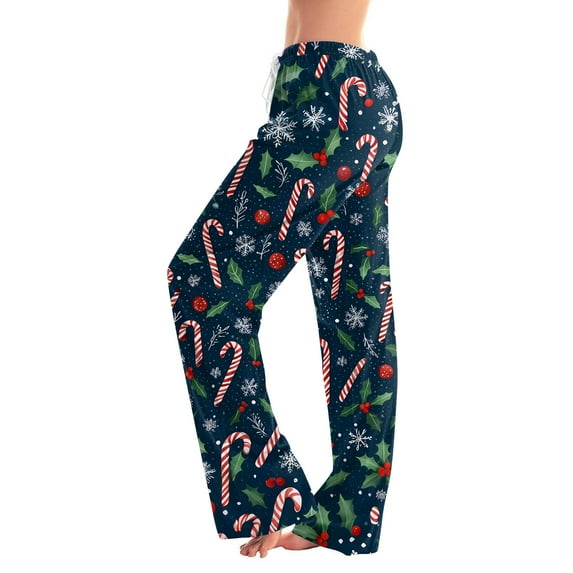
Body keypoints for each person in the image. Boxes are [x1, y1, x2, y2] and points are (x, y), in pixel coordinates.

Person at [167, 0, 402, 558]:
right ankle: (344, 515)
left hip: (329, 95)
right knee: (359, 322)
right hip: (344, 97)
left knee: (204, 282)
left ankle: (272, 493)